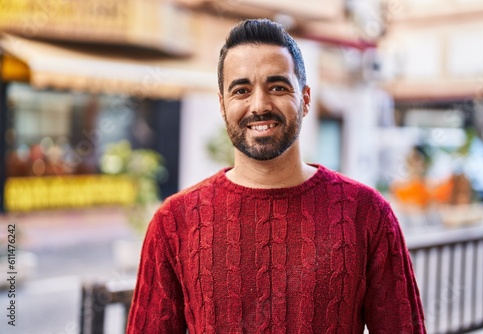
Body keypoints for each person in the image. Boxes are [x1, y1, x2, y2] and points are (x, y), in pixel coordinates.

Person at [127, 18, 426, 333]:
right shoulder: (174, 222)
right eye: (241, 90)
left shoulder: (366, 213)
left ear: (305, 99)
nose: (259, 105)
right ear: (222, 105)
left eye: (278, 87)